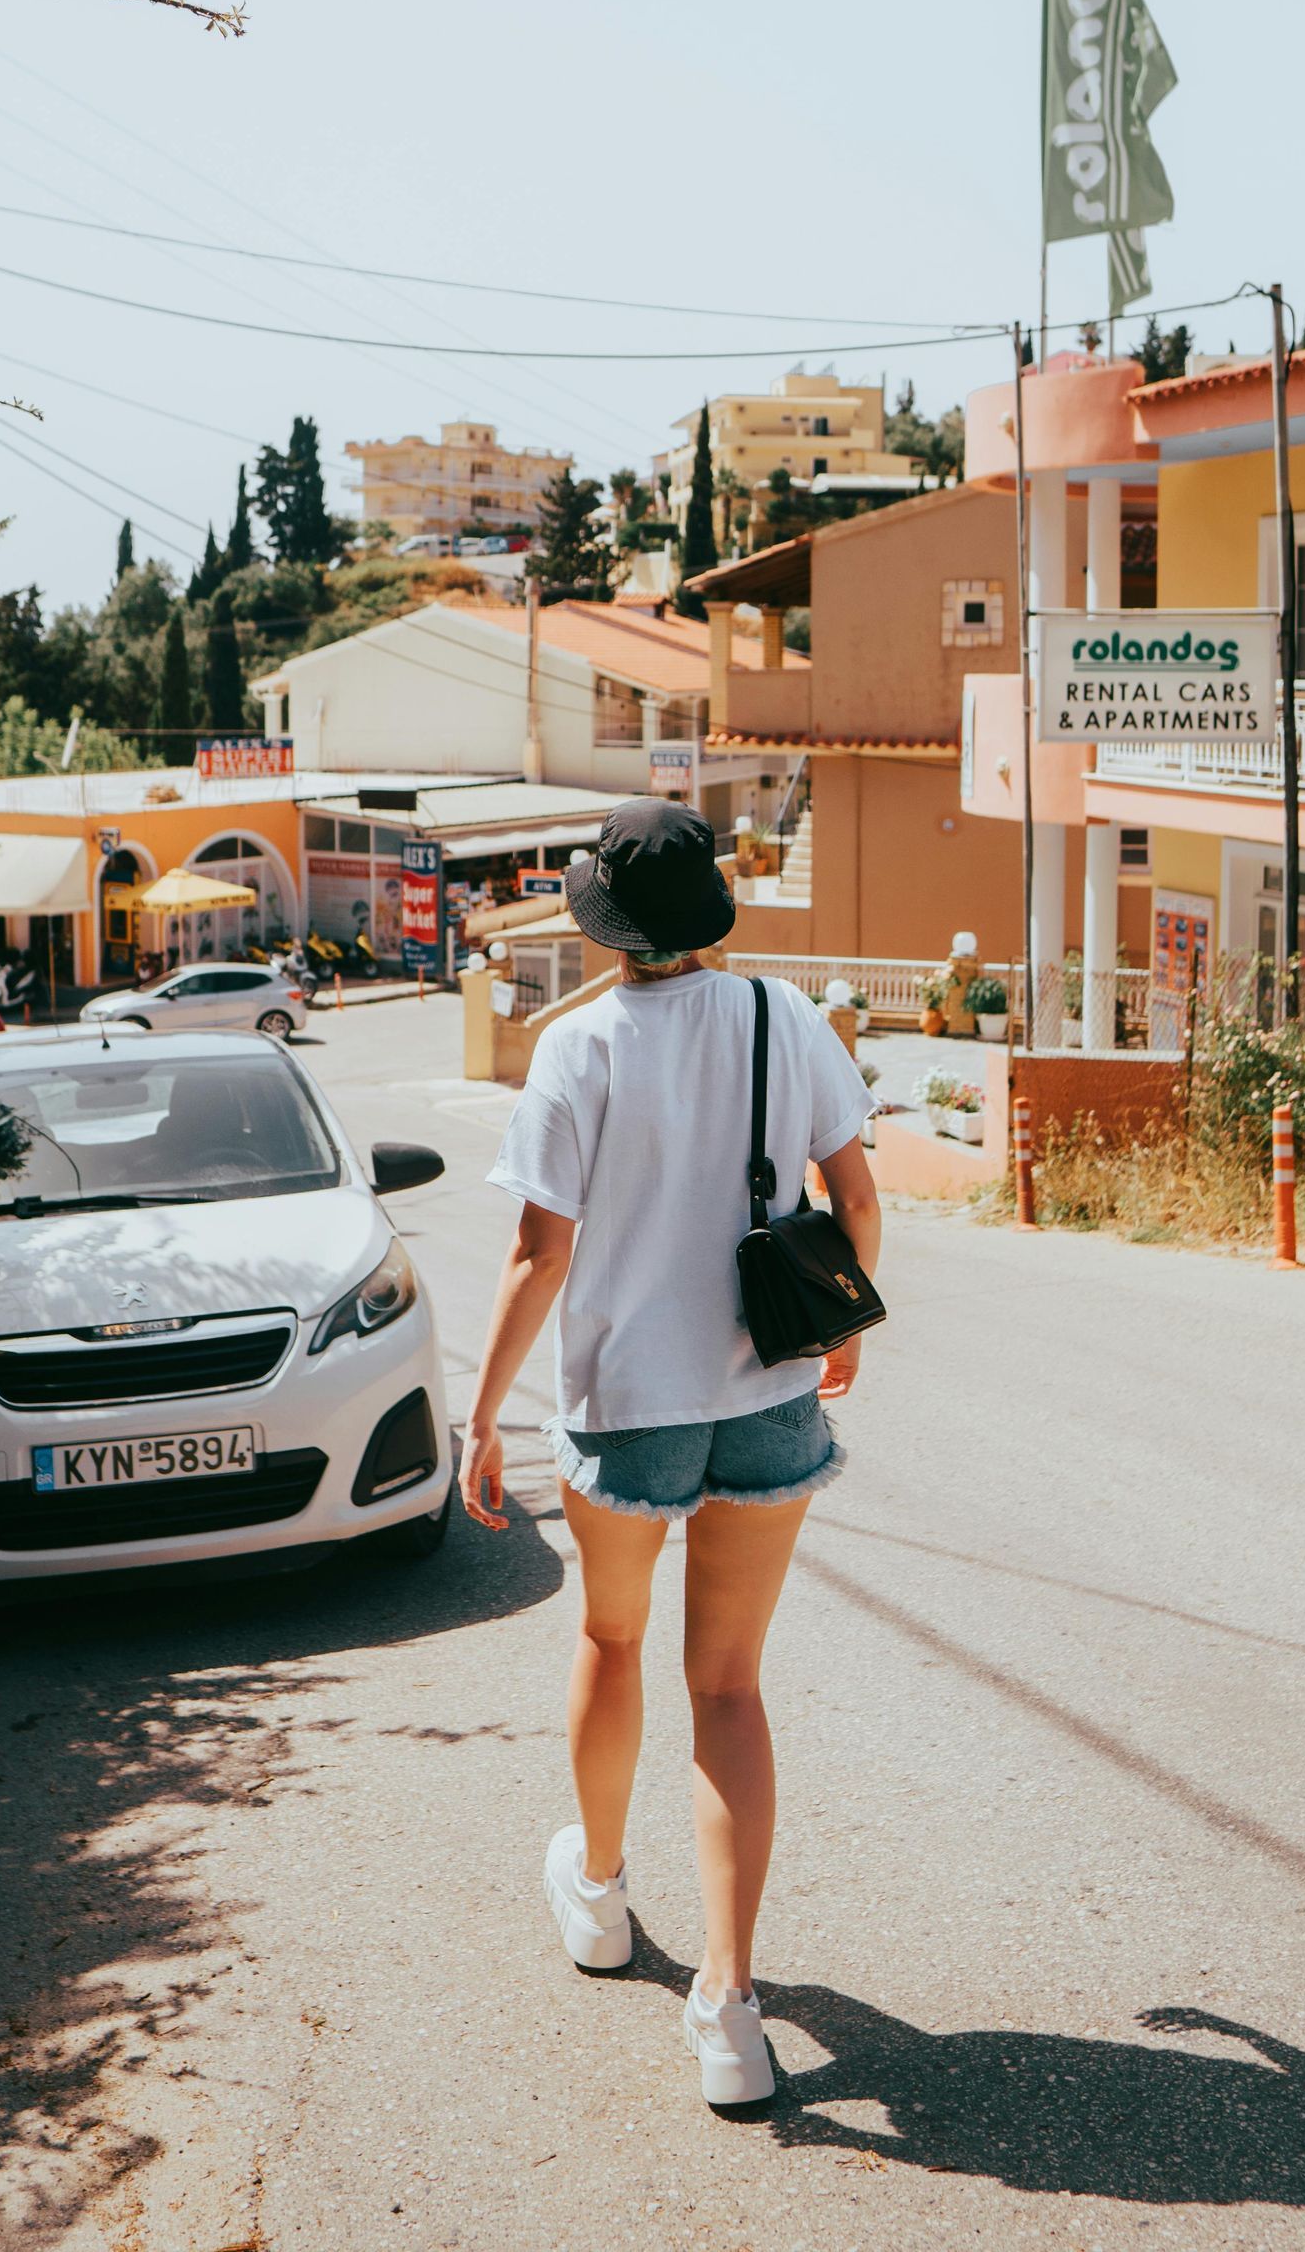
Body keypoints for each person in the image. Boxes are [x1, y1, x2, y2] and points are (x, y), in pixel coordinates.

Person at [460, 799, 881, 2109]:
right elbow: (857, 1194)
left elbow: (541, 1255)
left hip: (626, 1406)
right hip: (765, 1386)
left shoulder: (573, 1046)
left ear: (604, 924)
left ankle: (597, 1894)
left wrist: (481, 1417)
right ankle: (732, 2012)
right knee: (731, 1691)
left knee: (611, 1641)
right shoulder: (786, 1019)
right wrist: (850, 1319)